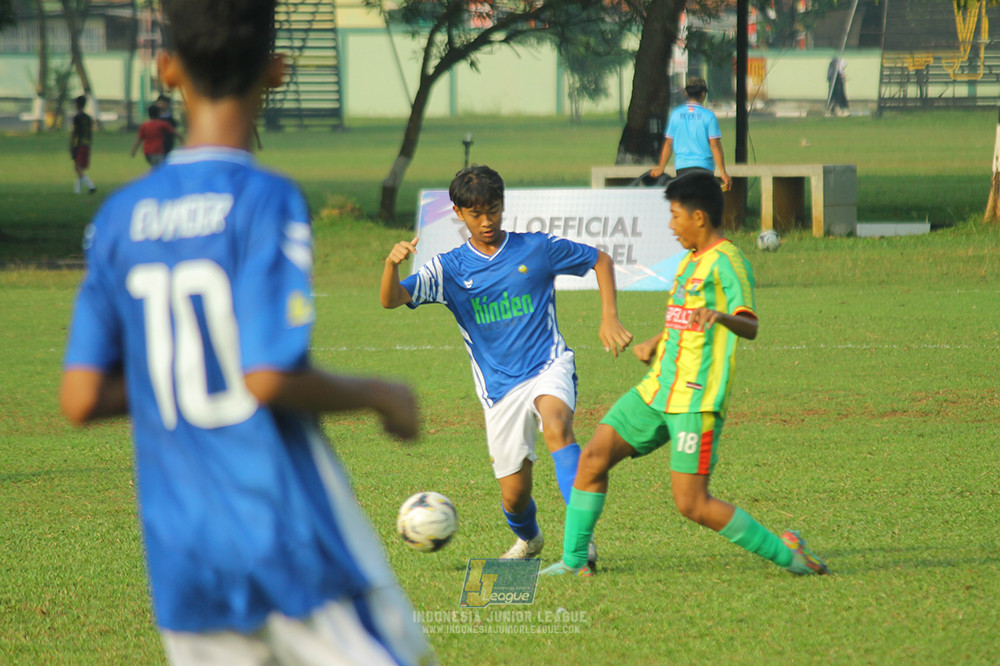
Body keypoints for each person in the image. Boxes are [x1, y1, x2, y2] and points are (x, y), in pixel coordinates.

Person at [60, 1, 435, 663]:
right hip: (283, 533)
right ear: (278, 70)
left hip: (184, 552)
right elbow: (267, 376)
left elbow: (80, 399)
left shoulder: (119, 219)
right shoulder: (264, 198)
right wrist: (381, 394)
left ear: (167, 69)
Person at [541, 171, 829, 577]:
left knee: (691, 503)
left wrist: (723, 316)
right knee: (591, 459)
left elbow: (750, 325)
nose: (671, 225)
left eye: (676, 216)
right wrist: (657, 341)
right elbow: (686, 318)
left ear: (699, 217)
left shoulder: (728, 262)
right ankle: (575, 564)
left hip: (695, 399)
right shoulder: (689, 260)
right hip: (657, 389)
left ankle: (790, 556)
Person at [381, 165, 633, 566]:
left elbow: (600, 260)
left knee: (557, 424)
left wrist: (609, 316)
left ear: (503, 205)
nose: (487, 221)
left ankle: (580, 540)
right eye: (476, 214)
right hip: (499, 390)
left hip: (548, 364)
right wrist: (391, 266)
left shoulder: (536, 248)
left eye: (494, 210)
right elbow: (392, 299)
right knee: (514, 497)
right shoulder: (449, 269)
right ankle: (530, 540)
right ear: (458, 213)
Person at [650, 77, 732, 192]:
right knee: (702, 203)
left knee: (687, 203)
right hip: (704, 168)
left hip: (682, 168)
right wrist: (723, 172)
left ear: (686, 93)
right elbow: (714, 145)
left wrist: (661, 168)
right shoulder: (709, 116)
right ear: (703, 94)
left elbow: (669, 143)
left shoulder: (676, 114)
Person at [130, 103, 181, 167]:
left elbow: (139, 139)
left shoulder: (145, 125)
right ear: (159, 113)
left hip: (147, 152)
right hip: (158, 151)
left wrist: (134, 150)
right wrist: (182, 140)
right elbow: (175, 132)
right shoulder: (162, 124)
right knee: (158, 169)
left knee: (155, 168)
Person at [69, 95, 96, 195]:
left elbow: (75, 132)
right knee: (80, 167)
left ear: (77, 104)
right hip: (87, 144)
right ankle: (77, 191)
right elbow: (90, 132)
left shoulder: (77, 117)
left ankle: (91, 186)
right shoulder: (88, 118)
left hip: (79, 144)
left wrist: (71, 144)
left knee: (77, 167)